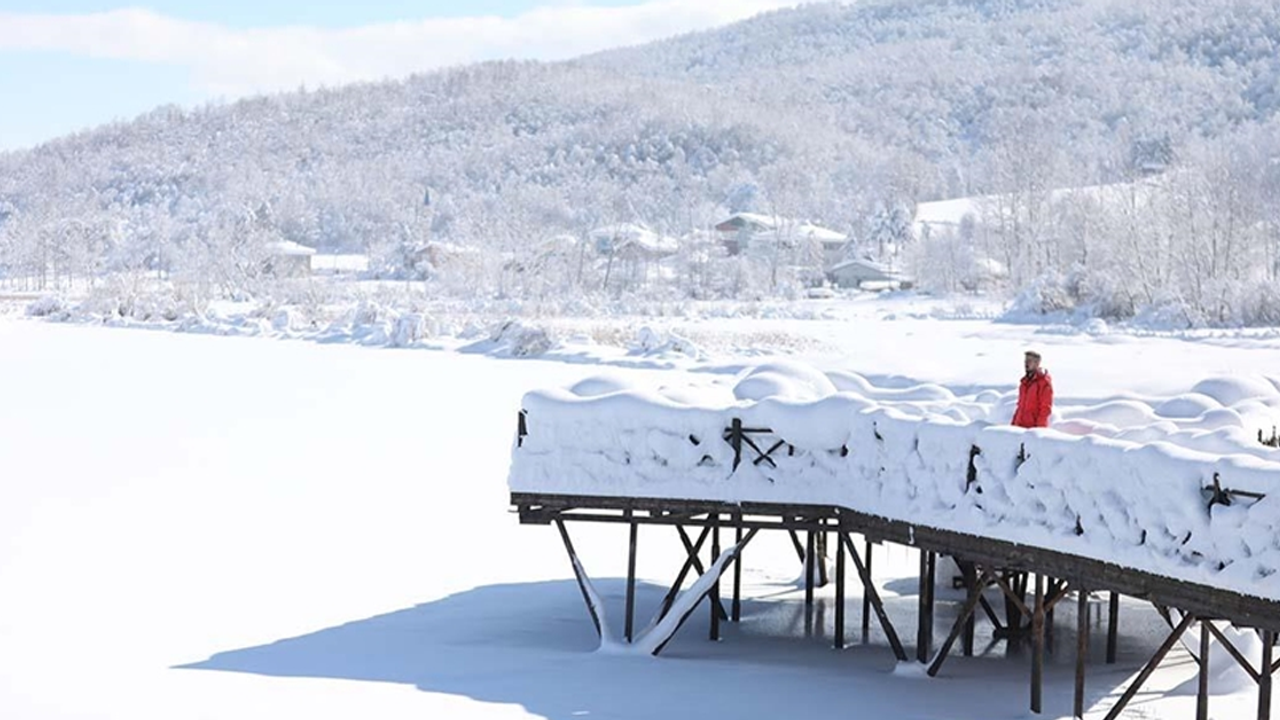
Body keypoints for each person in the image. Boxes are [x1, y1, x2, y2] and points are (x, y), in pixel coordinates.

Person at [1012, 350, 1053, 428]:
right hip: (1019, 426)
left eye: (1029, 361)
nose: (1026, 363)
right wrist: (1013, 424)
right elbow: (1020, 406)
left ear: (1037, 363)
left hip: (1033, 429)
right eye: (1025, 361)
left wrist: (1039, 429)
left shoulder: (1043, 383)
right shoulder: (1024, 382)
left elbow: (1045, 408)